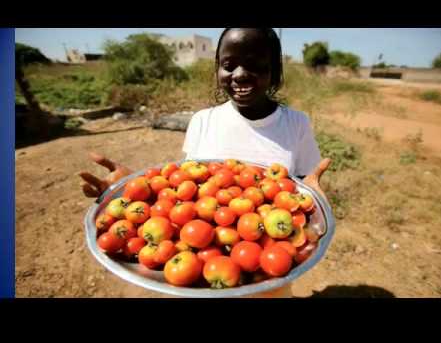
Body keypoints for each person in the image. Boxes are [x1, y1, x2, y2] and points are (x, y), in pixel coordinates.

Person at [79, 28, 331, 297]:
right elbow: (185, 188)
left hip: (268, 276)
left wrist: (314, 193)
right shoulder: (202, 120)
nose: (240, 73)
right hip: (198, 274)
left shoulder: (296, 124)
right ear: (217, 70)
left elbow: (301, 189)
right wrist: (135, 188)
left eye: (255, 64)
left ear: (275, 71)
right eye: (228, 65)